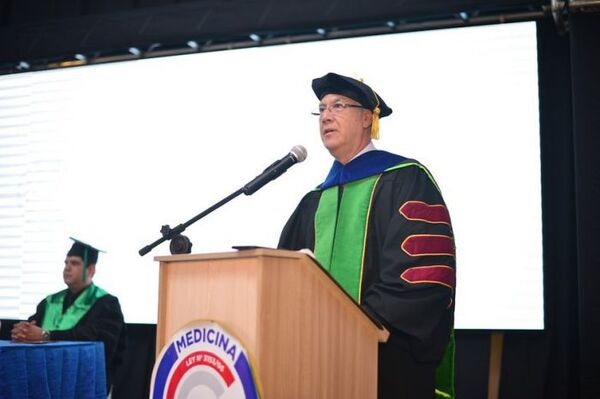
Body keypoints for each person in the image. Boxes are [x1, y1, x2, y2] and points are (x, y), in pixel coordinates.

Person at [278, 72, 456, 399]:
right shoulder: (313, 202)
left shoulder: (406, 181)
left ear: (366, 119)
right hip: (314, 365)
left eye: (338, 105)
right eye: (322, 108)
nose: (326, 116)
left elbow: (423, 275)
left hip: (388, 366)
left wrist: (351, 326)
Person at [11, 238, 126, 394]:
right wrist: (22, 331)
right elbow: (34, 325)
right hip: (44, 382)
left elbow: (97, 340)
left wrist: (46, 335)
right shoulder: (50, 302)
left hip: (85, 384)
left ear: (91, 270)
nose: (67, 268)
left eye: (75, 263)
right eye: (66, 263)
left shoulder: (107, 304)